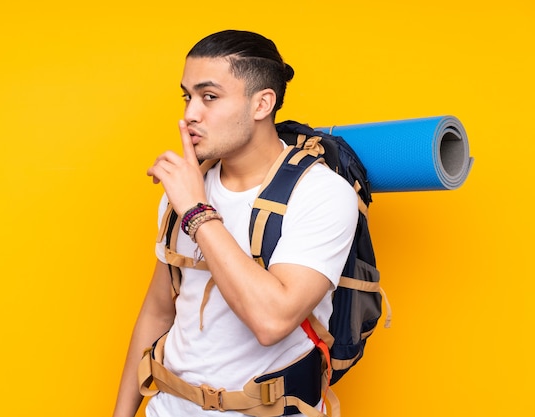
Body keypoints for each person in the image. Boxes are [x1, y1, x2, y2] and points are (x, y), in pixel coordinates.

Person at [112, 30, 358, 417]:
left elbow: (272, 322)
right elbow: (159, 312)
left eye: (209, 97)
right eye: (187, 96)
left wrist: (196, 212)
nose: (191, 113)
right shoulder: (187, 188)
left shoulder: (322, 194)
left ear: (262, 104)